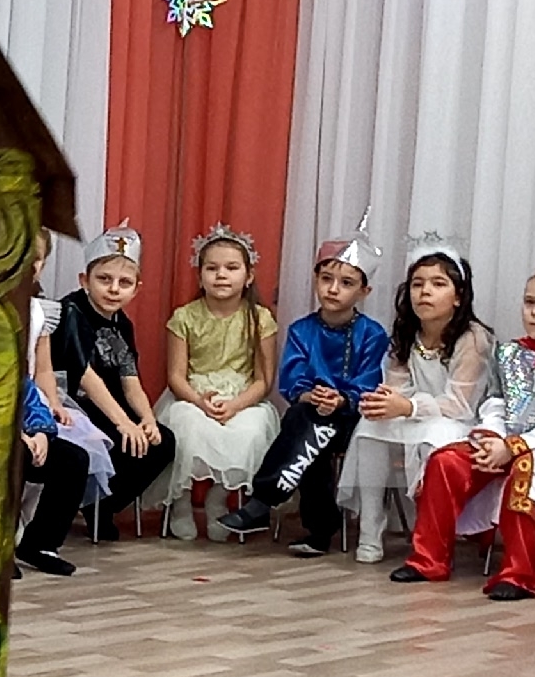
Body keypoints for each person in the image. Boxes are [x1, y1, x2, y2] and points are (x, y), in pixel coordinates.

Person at [395, 231, 535, 599]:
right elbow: (495, 402)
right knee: (446, 460)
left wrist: (516, 446)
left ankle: (517, 572)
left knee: (527, 470)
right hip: (504, 440)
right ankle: (429, 559)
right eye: (530, 302)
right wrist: (492, 437)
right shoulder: (508, 353)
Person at [227, 215, 390, 556]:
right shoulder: (302, 330)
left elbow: (371, 381)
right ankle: (319, 529)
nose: (333, 289)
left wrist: (342, 399)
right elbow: (292, 377)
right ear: (316, 280)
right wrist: (309, 394)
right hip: (311, 413)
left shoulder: (372, 334)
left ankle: (263, 503)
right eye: (326, 279)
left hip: (353, 420)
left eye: (346, 283)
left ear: (364, 291)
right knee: (309, 427)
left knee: (308, 427)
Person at [344, 237, 493, 564]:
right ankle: (370, 530)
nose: (425, 292)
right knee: (370, 427)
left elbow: (460, 404)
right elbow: (397, 386)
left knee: (435, 435)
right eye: (417, 284)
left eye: (438, 284)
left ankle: (430, 536)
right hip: (416, 415)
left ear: (458, 296)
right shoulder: (406, 334)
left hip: (461, 425)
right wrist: (384, 402)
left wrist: (407, 406)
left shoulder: (472, 338)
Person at [157, 226, 279, 541]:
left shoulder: (260, 319)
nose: (221, 275)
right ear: (200, 277)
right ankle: (181, 501)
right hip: (193, 395)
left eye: (231, 268)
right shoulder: (184, 317)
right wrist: (199, 401)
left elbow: (264, 379)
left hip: (243, 397)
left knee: (251, 431)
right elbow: (175, 376)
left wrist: (236, 405)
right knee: (186, 426)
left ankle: (218, 498)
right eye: (212, 268)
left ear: (249, 276)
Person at [51, 225, 172, 538]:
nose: (114, 289)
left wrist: (147, 419)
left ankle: (101, 504)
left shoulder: (122, 323)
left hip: (109, 405)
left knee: (162, 442)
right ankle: (91, 505)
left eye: (124, 283)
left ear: (136, 289)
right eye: (104, 279)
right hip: (74, 405)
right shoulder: (72, 312)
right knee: (115, 437)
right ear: (85, 280)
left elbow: (130, 380)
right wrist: (123, 423)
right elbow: (85, 375)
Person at [29, 231, 112, 513]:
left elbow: (42, 369)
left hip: (33, 402)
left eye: (36, 258)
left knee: (79, 455)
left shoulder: (39, 312)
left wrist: (52, 403)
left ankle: (40, 534)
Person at [16, 374, 89, 577]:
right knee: (16, 456)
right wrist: (16, 434)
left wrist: (41, 433)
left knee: (73, 459)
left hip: (23, 436)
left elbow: (31, 400)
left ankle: (40, 545)